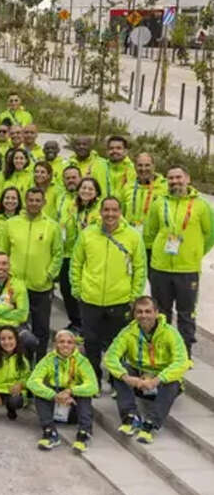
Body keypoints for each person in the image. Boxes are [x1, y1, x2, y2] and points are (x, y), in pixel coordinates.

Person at [70, 196, 146, 384]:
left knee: (117, 345)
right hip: (90, 298)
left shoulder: (133, 236)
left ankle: (116, 381)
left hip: (119, 300)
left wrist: (134, 296)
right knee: (91, 343)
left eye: (114, 210)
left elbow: (140, 267)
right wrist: (77, 288)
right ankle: (93, 378)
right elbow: (76, 262)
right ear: (101, 212)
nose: (110, 214)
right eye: (106, 210)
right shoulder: (87, 234)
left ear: (120, 212)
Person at [141, 165, 214, 356]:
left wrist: (195, 253)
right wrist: (153, 258)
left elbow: (210, 235)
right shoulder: (159, 203)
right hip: (160, 268)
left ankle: (184, 353)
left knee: (186, 314)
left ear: (187, 179)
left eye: (178, 177)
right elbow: (149, 233)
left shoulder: (201, 206)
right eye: (171, 178)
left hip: (187, 270)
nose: (175, 181)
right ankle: (162, 350)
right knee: (161, 313)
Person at [104, 297, 192, 444]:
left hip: (160, 382)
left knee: (173, 381)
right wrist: (128, 378)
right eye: (139, 312)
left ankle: (150, 424)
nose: (143, 315)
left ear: (156, 313)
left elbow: (182, 362)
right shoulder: (127, 332)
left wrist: (157, 379)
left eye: (148, 311)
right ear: (134, 314)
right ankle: (131, 417)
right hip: (138, 381)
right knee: (119, 372)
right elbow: (110, 357)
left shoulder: (170, 333)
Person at [0, 187, 62, 357]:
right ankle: (20, 363)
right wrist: (4, 276)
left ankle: (39, 364)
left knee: (41, 328)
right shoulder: (11, 224)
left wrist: (48, 275)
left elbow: (58, 254)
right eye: (30, 200)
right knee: (16, 328)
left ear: (44, 202)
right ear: (25, 201)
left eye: (37, 200)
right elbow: (2, 251)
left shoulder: (52, 226)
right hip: (16, 287)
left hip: (41, 287)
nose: (34, 203)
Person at [26, 330, 98, 452]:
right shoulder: (48, 359)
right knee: (40, 394)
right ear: (55, 344)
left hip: (72, 407)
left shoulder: (82, 361)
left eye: (69, 342)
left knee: (85, 394)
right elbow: (32, 382)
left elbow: (93, 386)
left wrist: (71, 391)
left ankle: (83, 434)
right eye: (61, 342)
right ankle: (50, 432)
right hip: (54, 405)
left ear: (74, 345)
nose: (65, 345)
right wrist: (54, 396)